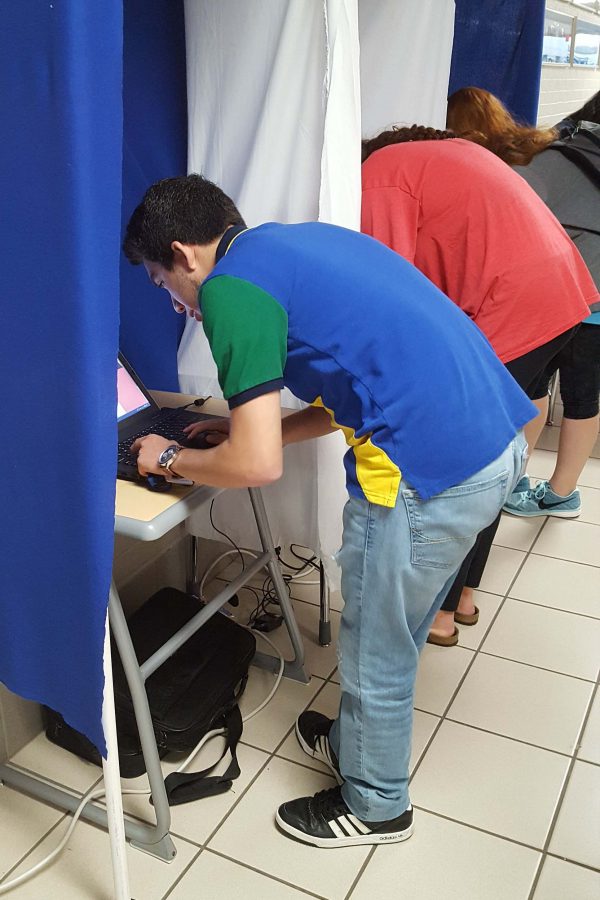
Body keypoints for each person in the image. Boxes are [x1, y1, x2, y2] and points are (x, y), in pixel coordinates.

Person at [124, 174, 534, 848]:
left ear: (183, 254)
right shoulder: (290, 244)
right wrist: (239, 432)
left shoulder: (230, 292)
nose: (172, 303)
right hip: (489, 442)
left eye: (158, 281)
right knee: (389, 625)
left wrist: (165, 460)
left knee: (377, 645)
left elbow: (255, 469)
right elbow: (351, 391)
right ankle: (354, 742)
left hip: (428, 476)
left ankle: (377, 807)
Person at [360, 125, 597, 645]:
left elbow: (386, 284)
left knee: (462, 460)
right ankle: (462, 596)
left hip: (517, 302)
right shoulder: (453, 154)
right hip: (565, 291)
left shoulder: (377, 174)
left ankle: (442, 609)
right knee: (493, 449)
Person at [447, 87, 600, 519]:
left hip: (554, 296)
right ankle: (563, 493)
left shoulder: (550, 157)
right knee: (584, 397)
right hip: (598, 304)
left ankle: (512, 481)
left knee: (531, 387)